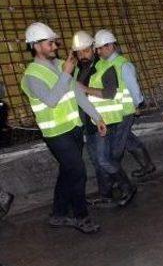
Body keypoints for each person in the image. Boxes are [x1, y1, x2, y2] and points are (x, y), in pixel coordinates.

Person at [20, 22, 103, 233]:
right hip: (56, 133)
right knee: (78, 173)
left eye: (54, 42)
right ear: (36, 46)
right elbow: (51, 100)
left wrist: (97, 117)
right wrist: (66, 73)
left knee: (67, 172)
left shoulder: (59, 65)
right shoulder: (31, 76)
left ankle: (58, 214)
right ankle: (81, 217)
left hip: (73, 128)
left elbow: (76, 93)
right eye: (50, 43)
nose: (55, 46)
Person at [72, 30, 136, 208]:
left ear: (93, 48)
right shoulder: (77, 70)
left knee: (104, 160)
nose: (82, 55)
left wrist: (85, 88)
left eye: (85, 50)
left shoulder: (106, 66)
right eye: (78, 52)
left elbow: (110, 93)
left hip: (104, 121)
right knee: (97, 162)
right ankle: (105, 195)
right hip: (87, 124)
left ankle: (128, 187)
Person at [93, 29, 155, 181]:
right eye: (97, 49)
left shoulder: (123, 65)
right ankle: (148, 165)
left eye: (100, 48)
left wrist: (137, 105)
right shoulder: (102, 64)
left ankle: (115, 177)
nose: (98, 52)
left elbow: (134, 88)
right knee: (126, 139)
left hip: (124, 112)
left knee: (116, 147)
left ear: (110, 46)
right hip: (114, 113)